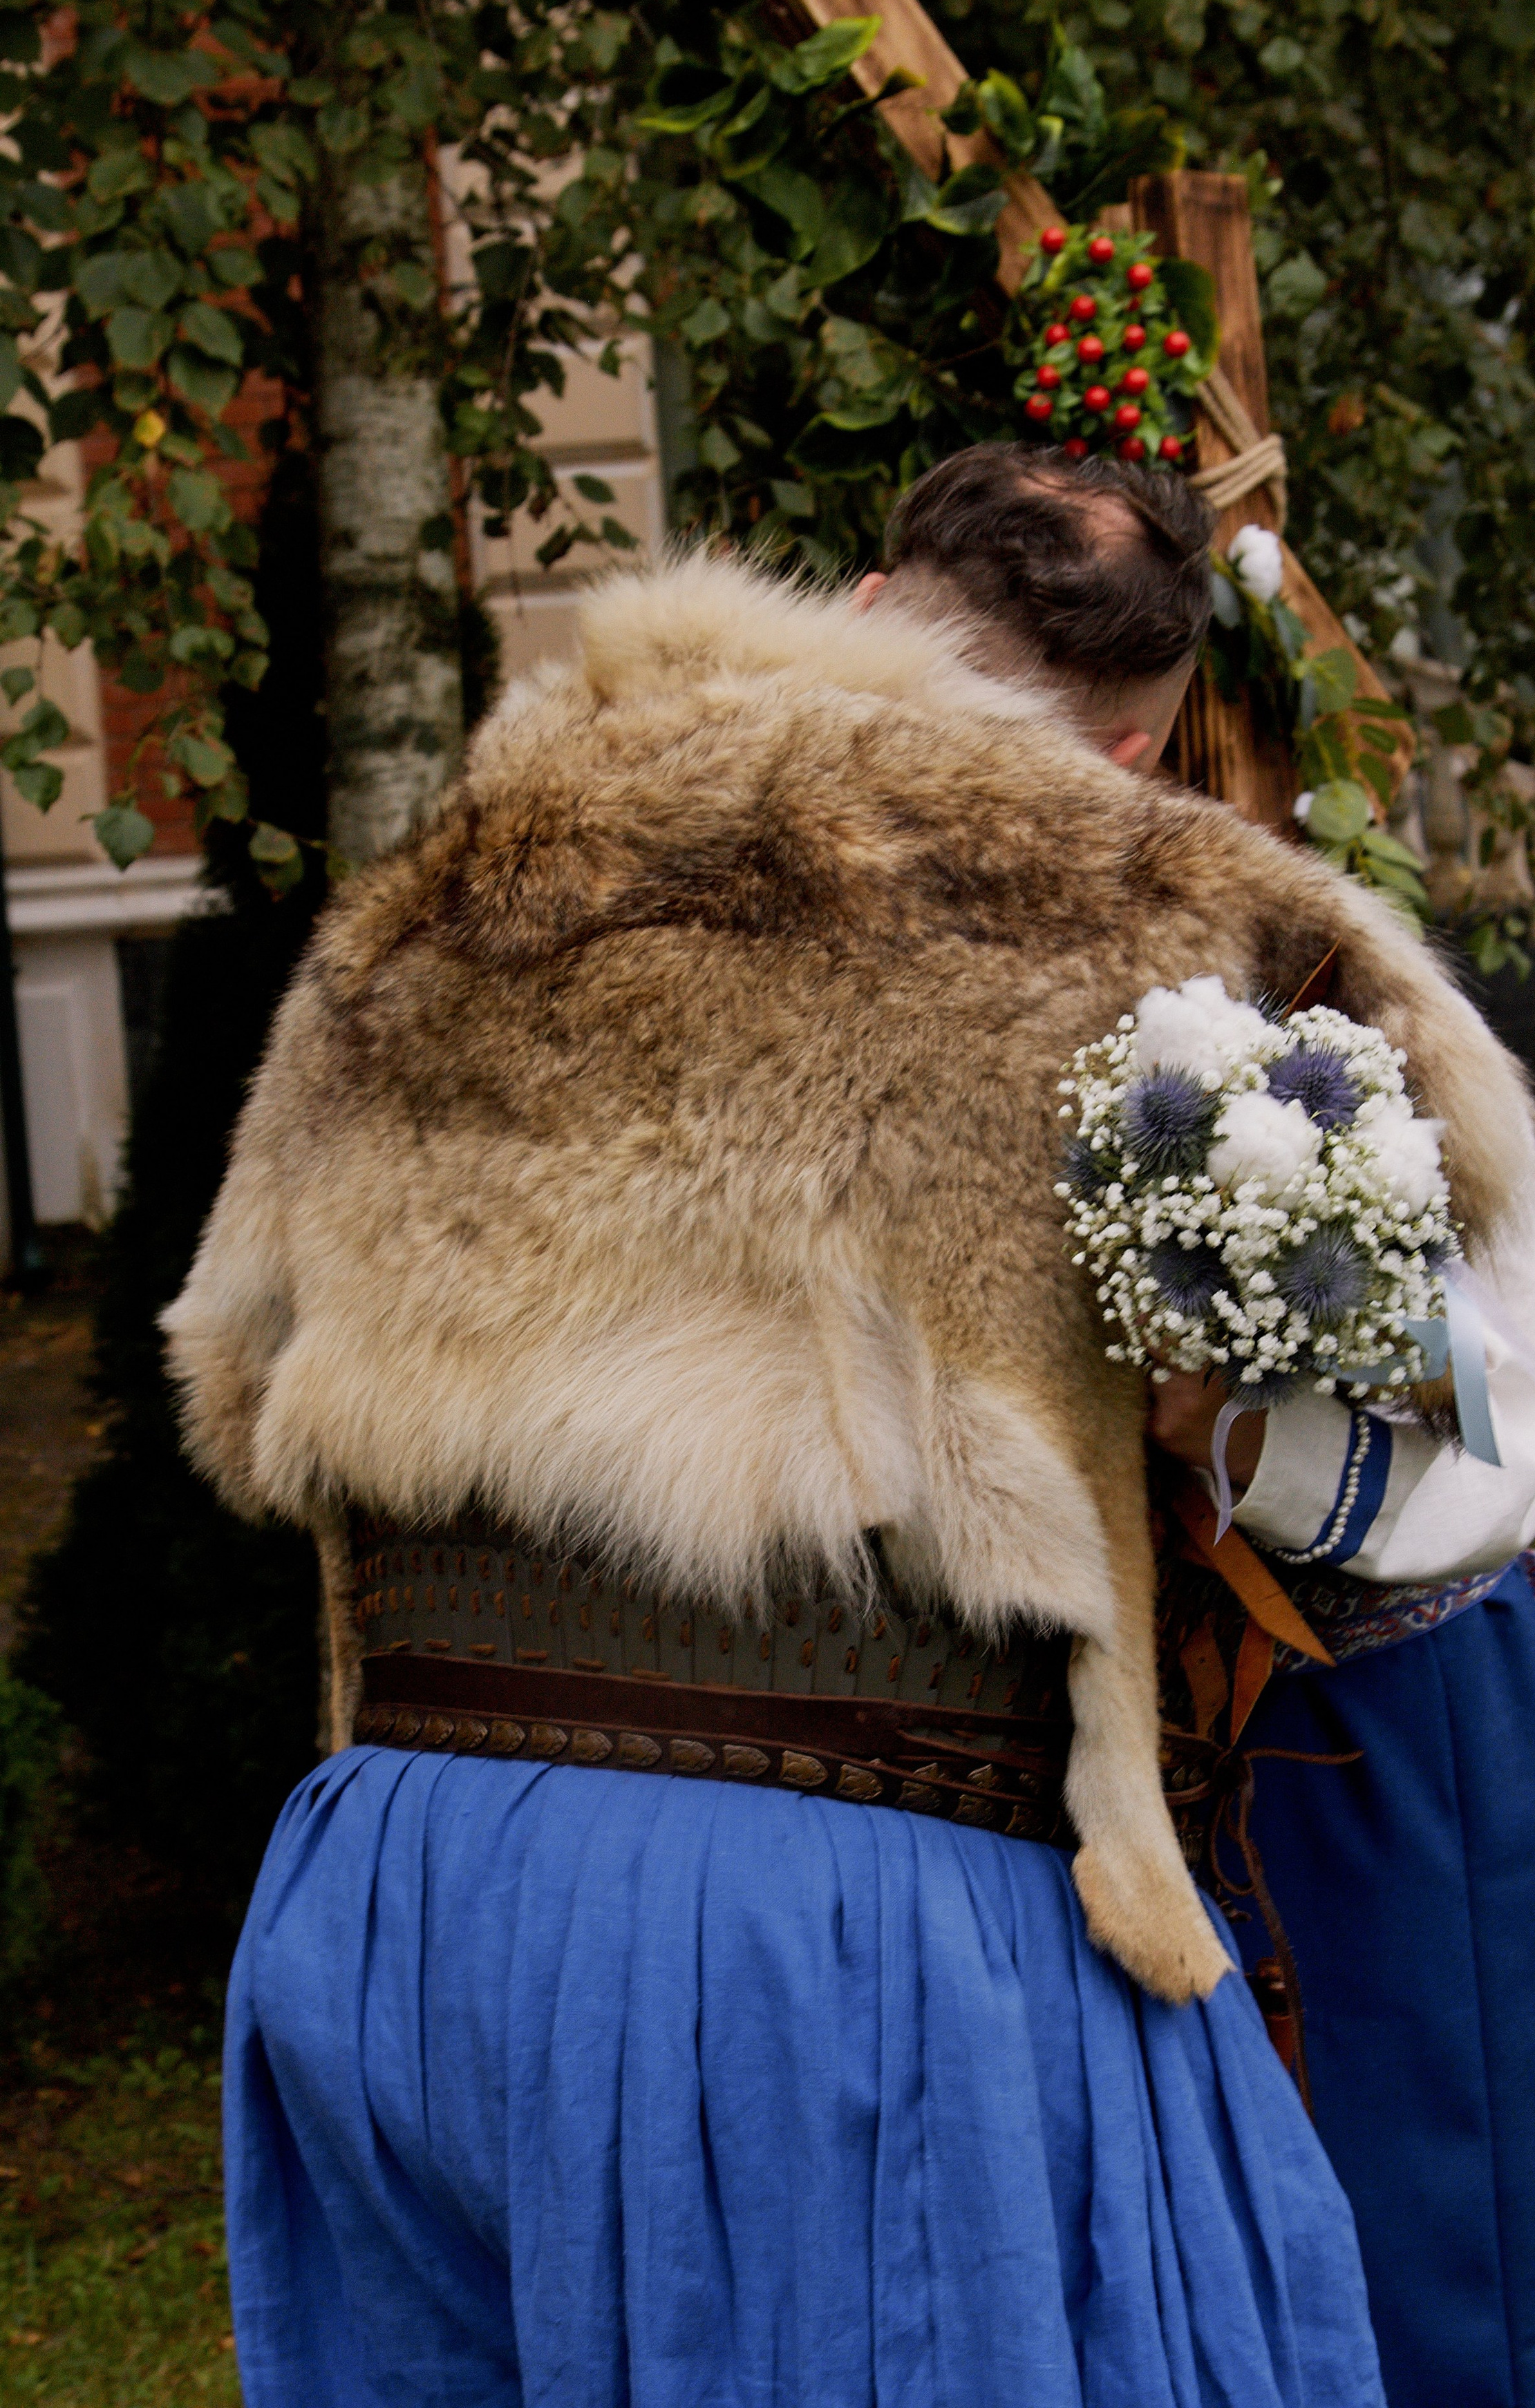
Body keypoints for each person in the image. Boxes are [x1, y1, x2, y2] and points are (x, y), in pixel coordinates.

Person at [175, 444, 1440, 2408]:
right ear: (1123, 756)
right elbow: (1469, 1236)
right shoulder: (1143, 887)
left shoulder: (454, 866)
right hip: (823, 1927)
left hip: (399, 1883)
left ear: (857, 611)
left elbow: (236, 1380)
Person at [872, 450, 1535, 2408]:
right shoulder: (770, 962)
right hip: (999, 1821)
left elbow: (1484, 1404)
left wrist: (1231, 1401)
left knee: (1470, 2303)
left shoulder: (1294, 984)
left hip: (1369, 1770)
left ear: (1130, 752)